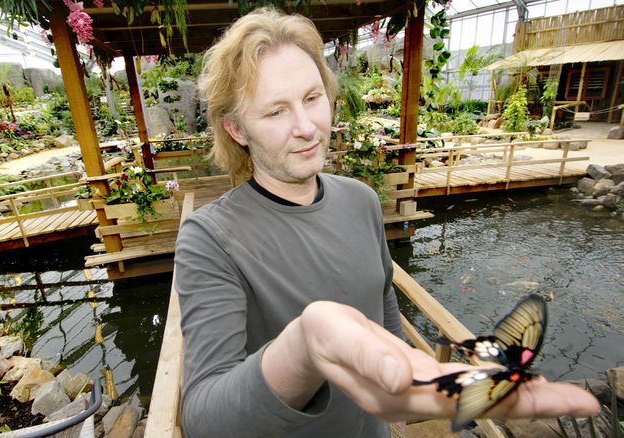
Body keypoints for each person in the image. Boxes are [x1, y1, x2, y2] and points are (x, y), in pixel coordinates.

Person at [174, 7, 599, 438]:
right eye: (275, 112)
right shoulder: (210, 239)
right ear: (237, 130)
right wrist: (303, 348)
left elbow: (382, 300)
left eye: (312, 97)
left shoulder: (359, 199)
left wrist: (399, 396)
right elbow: (205, 418)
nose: (306, 127)